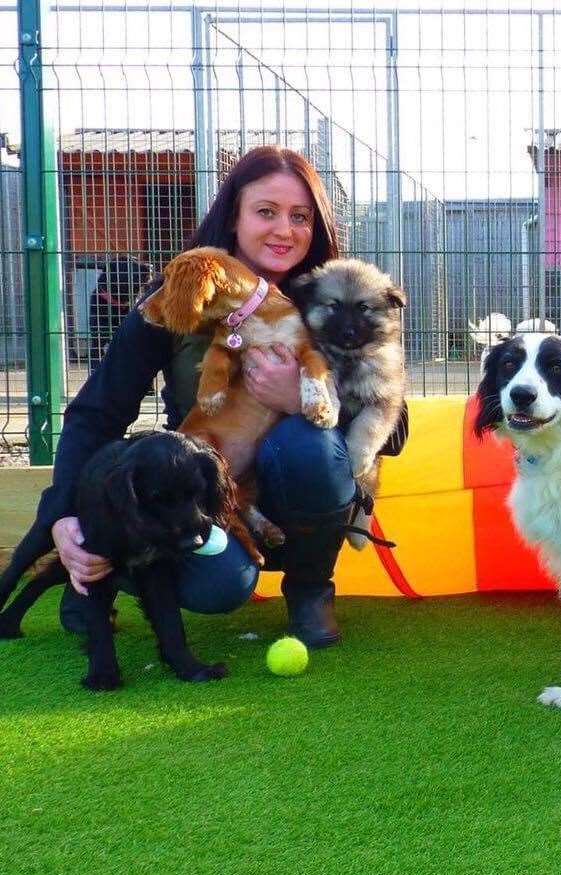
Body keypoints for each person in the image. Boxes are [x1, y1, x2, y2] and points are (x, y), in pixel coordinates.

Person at [35, 146, 369, 648]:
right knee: (218, 587)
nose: (284, 230)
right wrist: (65, 518)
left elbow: (396, 419)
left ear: (315, 226)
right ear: (233, 216)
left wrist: (299, 400)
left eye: (299, 217)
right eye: (265, 212)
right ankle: (108, 569)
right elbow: (95, 414)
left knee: (307, 441)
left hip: (300, 494)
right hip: (208, 492)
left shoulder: (333, 299)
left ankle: (310, 591)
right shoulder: (181, 295)